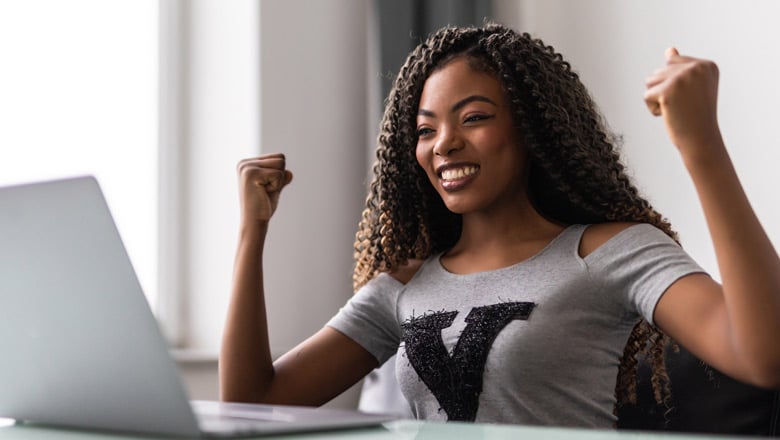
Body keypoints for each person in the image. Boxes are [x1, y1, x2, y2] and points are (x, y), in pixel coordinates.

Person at [220, 23, 780, 428]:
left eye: (475, 118)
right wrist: (251, 234)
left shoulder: (610, 252)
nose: (445, 144)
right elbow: (250, 399)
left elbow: (763, 354)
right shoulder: (403, 285)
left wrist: (700, 145)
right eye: (425, 129)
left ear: (532, 131)